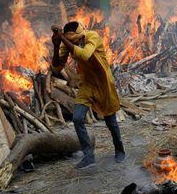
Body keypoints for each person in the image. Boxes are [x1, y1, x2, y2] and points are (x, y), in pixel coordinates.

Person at [51, 21, 125, 169]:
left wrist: (63, 38)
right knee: (77, 118)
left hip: (103, 83)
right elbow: (57, 68)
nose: (75, 43)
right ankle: (89, 156)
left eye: (76, 40)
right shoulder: (67, 42)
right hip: (87, 84)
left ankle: (119, 149)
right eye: (72, 41)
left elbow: (84, 55)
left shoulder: (93, 36)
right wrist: (56, 44)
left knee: (110, 121)